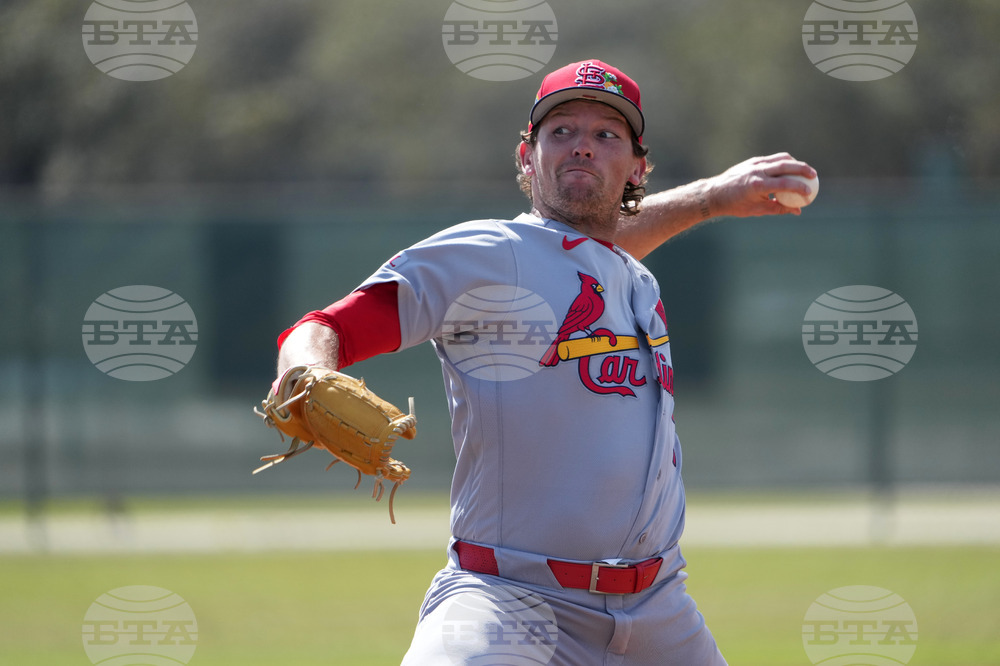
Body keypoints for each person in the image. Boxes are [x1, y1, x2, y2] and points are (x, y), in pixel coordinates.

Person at [274, 59, 815, 665]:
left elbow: (591, 250)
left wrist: (713, 196)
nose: (582, 146)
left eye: (606, 134)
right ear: (527, 156)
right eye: (561, 131)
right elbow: (322, 328)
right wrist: (305, 373)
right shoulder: (487, 255)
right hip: (511, 602)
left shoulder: (631, 278)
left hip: (660, 609)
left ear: (639, 166)